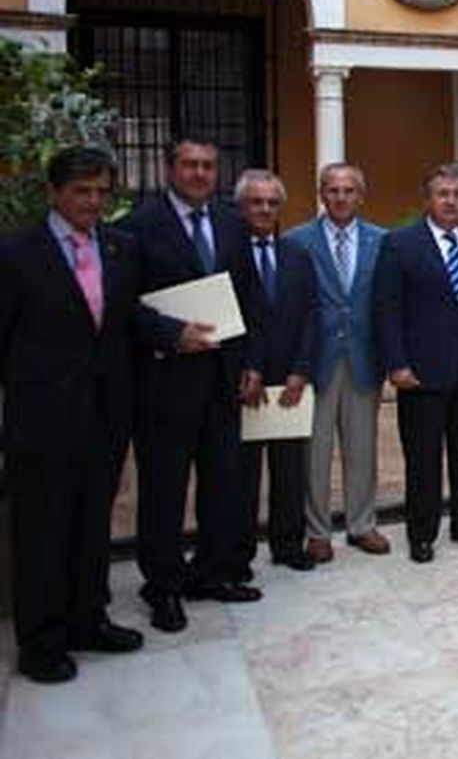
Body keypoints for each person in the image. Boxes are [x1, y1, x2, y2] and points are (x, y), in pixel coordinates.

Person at [0, 146, 192, 682]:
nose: (92, 201)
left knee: (91, 524)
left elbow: (128, 315)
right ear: (54, 192)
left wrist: (176, 333)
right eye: (81, 191)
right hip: (42, 418)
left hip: (106, 414)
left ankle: (89, 619)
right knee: (42, 531)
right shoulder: (16, 253)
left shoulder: (119, 246)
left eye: (101, 192)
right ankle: (41, 641)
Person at [120, 137, 267, 633]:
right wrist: (171, 333)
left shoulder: (231, 223)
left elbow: (250, 299)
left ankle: (211, 572)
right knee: (164, 489)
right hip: (165, 383)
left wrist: (253, 363)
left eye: (208, 165)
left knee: (222, 482)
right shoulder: (137, 227)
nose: (200, 173)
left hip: (223, 381)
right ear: (170, 169)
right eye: (190, 165)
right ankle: (162, 586)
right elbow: (123, 305)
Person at [373, 164, 458, 564]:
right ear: (427, 198)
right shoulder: (399, 243)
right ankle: (422, 533)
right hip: (420, 373)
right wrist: (396, 364)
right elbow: (387, 309)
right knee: (423, 458)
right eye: (442, 193)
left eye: (457, 194)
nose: (451, 201)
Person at [285, 163, 390, 562]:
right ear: (321, 194)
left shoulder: (382, 241)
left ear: (360, 196)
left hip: (365, 356)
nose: (341, 197)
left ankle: (362, 524)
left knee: (362, 448)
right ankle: (317, 531)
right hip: (316, 360)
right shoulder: (297, 241)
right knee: (314, 451)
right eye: (333, 190)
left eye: (349, 190)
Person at [235, 170, 317, 572]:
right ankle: (238, 553)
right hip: (242, 383)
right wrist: (242, 369)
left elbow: (311, 316)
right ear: (241, 206)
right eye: (256, 202)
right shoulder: (226, 255)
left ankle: (288, 545)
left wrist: (301, 370)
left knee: (289, 472)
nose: (265, 209)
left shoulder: (297, 255)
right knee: (240, 476)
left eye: (272, 202)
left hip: (289, 383)